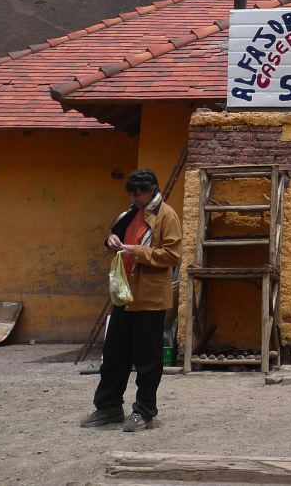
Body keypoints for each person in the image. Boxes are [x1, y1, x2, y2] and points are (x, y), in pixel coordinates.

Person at [80, 169, 181, 432]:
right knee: (114, 355)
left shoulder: (166, 216)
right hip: (125, 295)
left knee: (147, 359)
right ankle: (109, 407)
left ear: (151, 191)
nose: (135, 198)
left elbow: (172, 255)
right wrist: (111, 240)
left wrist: (137, 252)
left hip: (149, 297)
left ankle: (144, 411)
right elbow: (116, 236)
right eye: (133, 194)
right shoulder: (130, 215)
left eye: (138, 194)